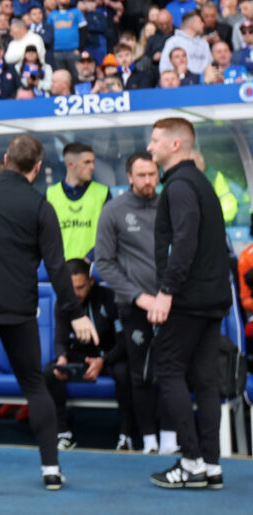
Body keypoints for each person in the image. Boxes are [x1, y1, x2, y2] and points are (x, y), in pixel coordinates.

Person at [0, 134, 97, 495]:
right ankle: (51, 470)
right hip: (18, 309)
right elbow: (58, 267)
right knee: (34, 385)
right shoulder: (40, 205)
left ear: (6, 158)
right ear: (38, 167)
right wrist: (76, 315)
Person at [146, 118, 232, 489]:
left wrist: (166, 291)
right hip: (211, 296)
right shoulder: (200, 183)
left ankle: (192, 462)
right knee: (206, 380)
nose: (150, 148)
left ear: (176, 145)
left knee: (169, 373)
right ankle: (210, 465)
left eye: (155, 140)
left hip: (187, 298)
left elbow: (184, 242)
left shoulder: (179, 186)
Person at [94, 152, 170, 455]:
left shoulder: (169, 204)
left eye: (153, 174)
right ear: (129, 177)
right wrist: (139, 296)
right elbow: (105, 262)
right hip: (134, 305)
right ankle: (149, 441)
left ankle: (170, 440)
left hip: (170, 303)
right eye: (142, 175)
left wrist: (168, 294)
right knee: (141, 374)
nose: (149, 180)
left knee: (170, 373)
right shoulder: (113, 211)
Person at [43, 259, 131, 451]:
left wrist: (103, 360)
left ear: (91, 281)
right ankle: (63, 433)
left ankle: (127, 435)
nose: (76, 293)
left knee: (124, 373)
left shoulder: (110, 298)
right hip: (82, 357)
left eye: (81, 287)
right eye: (71, 287)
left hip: (110, 356)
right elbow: (60, 340)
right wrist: (62, 358)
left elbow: (123, 342)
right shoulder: (63, 303)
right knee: (51, 372)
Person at [46, 142, 110, 262]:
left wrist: (89, 258)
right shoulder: (50, 195)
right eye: (87, 162)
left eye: (93, 162)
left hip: (93, 270)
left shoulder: (103, 193)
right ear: (71, 164)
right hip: (61, 269)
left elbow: (110, 234)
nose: (92, 167)